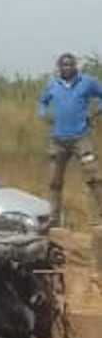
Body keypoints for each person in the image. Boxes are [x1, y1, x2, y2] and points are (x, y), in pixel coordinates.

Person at [37, 52, 102, 226]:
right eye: (64, 65)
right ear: (59, 67)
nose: (67, 68)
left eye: (70, 64)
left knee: (94, 176)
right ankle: (53, 219)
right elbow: (42, 102)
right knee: (54, 182)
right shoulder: (52, 84)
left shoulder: (87, 82)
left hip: (81, 138)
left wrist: (93, 113)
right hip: (57, 140)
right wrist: (44, 114)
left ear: (75, 66)